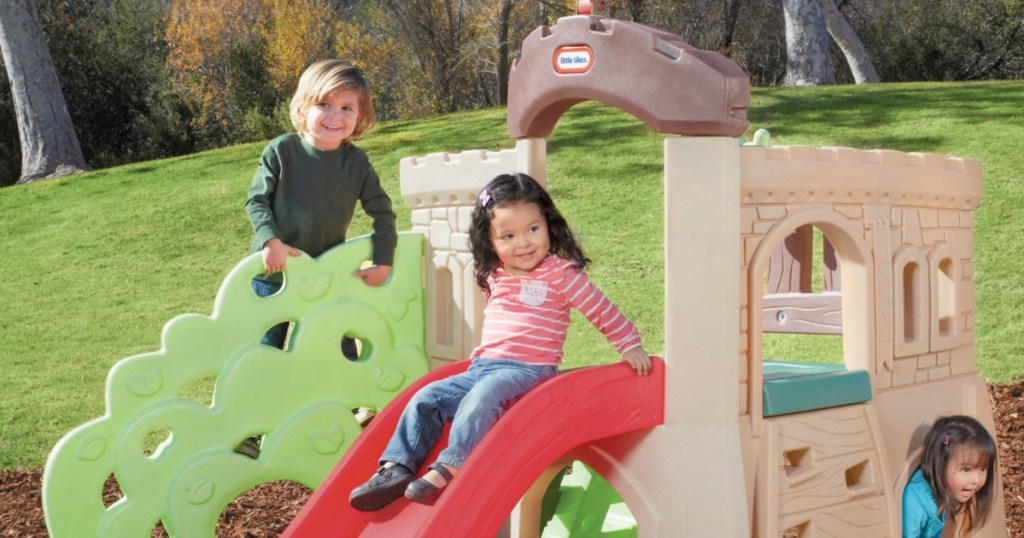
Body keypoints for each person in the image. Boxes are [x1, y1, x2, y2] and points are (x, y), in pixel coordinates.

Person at [349, 172, 652, 511]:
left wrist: (629, 344)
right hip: (482, 367)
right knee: (427, 397)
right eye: (508, 236)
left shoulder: (561, 273)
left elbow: (600, 309)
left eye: (533, 229)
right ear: (490, 241)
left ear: (548, 224)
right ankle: (396, 467)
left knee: (483, 397)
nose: (523, 243)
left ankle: (448, 468)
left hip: (528, 373)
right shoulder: (494, 273)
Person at [239, 59, 397, 458]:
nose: (335, 116)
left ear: (360, 117)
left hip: (327, 274)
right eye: (325, 104)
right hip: (277, 274)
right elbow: (256, 200)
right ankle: (251, 430)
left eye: (348, 108)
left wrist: (383, 260)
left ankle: (348, 415)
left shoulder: (355, 163)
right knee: (266, 351)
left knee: (339, 344)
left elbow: (382, 211)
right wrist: (269, 241)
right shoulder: (282, 152)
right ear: (304, 105)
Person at [902, 415, 998, 538]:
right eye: (966, 469)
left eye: (983, 469)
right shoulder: (916, 498)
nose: (977, 480)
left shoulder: (945, 490)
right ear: (940, 464)